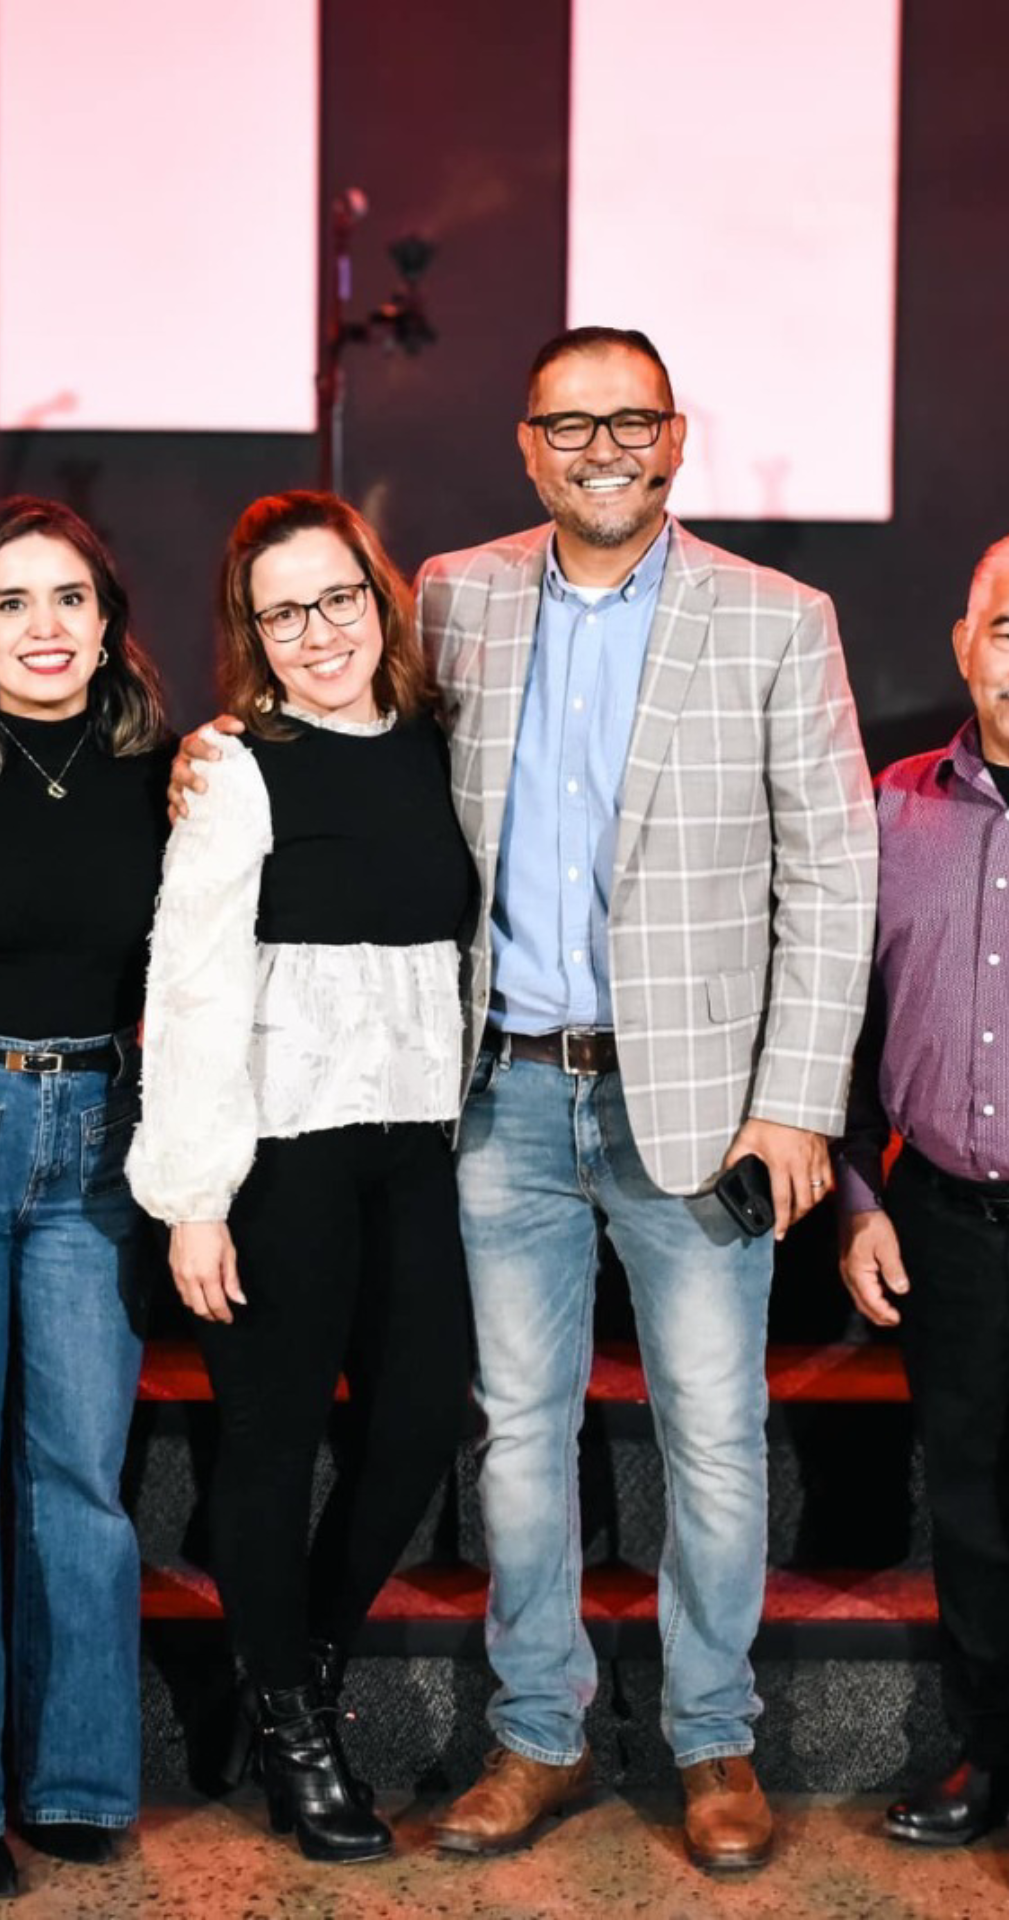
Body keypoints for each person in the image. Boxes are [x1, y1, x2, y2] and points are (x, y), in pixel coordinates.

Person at [172, 328, 877, 1872]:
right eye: (570, 424)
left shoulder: (778, 617)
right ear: (527, 446)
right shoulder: (456, 595)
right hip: (499, 1100)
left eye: (631, 421)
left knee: (715, 1437)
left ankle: (713, 1740)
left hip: (700, 1108)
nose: (601, 447)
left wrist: (797, 1104)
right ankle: (539, 1734)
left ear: (675, 438)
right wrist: (220, 747)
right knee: (515, 1438)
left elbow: (834, 875)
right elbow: (348, 733)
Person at [128, 491, 474, 1867]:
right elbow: (191, 985)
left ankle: (303, 1662)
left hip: (418, 1144)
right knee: (269, 1448)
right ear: (251, 634)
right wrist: (196, 1197)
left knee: (418, 1423)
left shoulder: (443, 744)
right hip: (281, 1153)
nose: (318, 633)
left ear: (379, 600)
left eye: (338, 599)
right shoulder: (234, 767)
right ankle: (294, 1728)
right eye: (283, 615)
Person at [836, 524, 1009, 1900]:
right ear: (963, 646)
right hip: (938, 1221)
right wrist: (858, 1197)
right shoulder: (889, 810)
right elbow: (836, 1023)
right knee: (973, 1513)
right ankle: (987, 1757)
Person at [0, 495, 171, 1890]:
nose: (42, 627)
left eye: (67, 597)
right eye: (7, 604)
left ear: (109, 623)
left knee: (80, 1476)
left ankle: (74, 1780)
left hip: (101, 1134)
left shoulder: (171, 775)